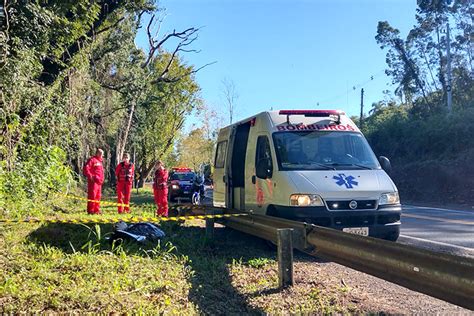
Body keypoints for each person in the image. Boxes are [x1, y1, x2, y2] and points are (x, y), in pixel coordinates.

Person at [83, 148, 105, 214]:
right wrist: (91, 176)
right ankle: (91, 210)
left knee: (98, 196)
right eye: (101, 154)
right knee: (92, 196)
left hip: (99, 182)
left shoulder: (100, 162)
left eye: (102, 154)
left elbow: (100, 172)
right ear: (97, 153)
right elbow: (86, 169)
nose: (102, 156)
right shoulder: (92, 160)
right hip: (93, 182)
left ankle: (96, 210)